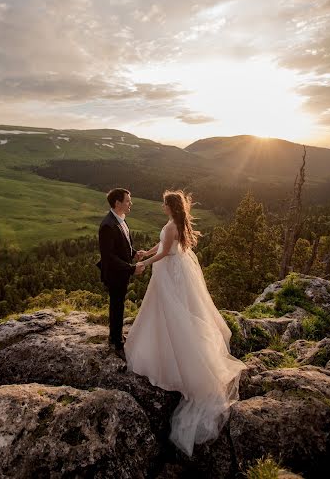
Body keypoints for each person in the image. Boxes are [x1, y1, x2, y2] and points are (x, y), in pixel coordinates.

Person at [124, 190, 247, 457]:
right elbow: (164, 245)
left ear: (170, 206)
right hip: (174, 272)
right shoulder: (176, 224)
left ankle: (170, 355)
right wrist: (148, 250)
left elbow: (166, 251)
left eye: (164, 203)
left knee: (170, 313)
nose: (161, 206)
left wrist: (144, 262)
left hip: (168, 274)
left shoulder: (171, 226)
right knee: (170, 312)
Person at [97, 187, 144, 360]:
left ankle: (115, 336)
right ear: (118, 203)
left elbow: (123, 245)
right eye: (127, 201)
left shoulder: (120, 219)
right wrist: (132, 268)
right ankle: (116, 342)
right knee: (116, 306)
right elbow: (109, 257)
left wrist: (134, 253)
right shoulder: (107, 226)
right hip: (114, 273)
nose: (130, 203)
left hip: (121, 272)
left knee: (118, 305)